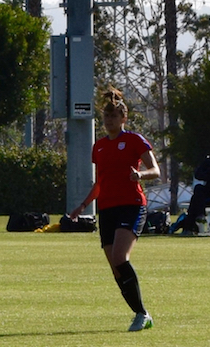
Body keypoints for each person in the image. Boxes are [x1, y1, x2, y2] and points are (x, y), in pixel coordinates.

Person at [68, 88, 161, 332]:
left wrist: (140, 174)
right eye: (106, 117)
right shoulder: (98, 147)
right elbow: (100, 183)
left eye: (114, 117)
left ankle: (141, 314)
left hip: (131, 205)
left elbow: (156, 171)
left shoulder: (134, 140)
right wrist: (83, 205)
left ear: (123, 119)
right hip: (107, 209)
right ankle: (141, 313)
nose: (109, 121)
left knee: (121, 257)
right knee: (115, 269)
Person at [171, 135, 210, 235]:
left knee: (196, 200)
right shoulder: (209, 159)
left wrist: (208, 173)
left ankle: (189, 227)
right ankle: (198, 218)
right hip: (208, 192)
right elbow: (198, 173)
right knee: (198, 189)